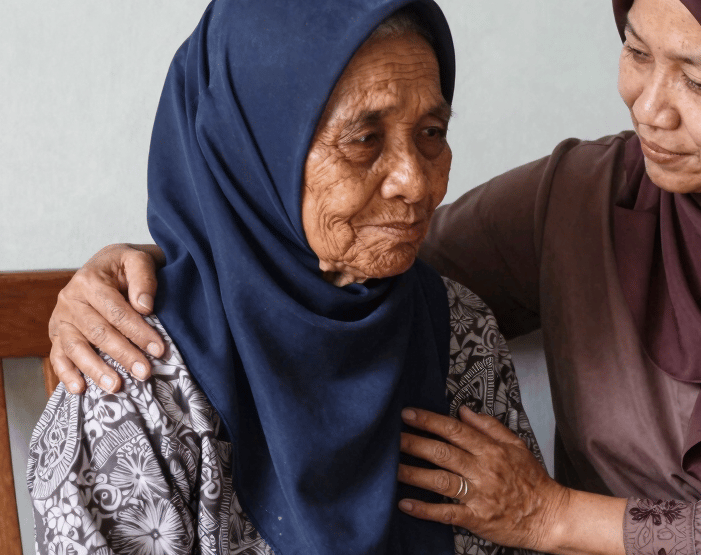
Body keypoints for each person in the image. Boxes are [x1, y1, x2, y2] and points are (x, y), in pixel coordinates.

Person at [46, 0, 701, 553]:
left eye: (699, 79)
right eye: (637, 51)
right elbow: (351, 252)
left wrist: (552, 514)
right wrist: (174, 265)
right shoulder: (586, 194)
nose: (651, 107)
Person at [28, 1, 544, 554]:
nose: (415, 182)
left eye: (432, 131)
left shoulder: (459, 330)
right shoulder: (132, 389)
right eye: (365, 139)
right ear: (255, 153)